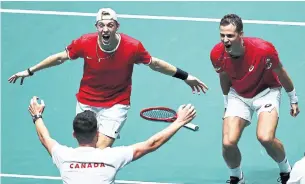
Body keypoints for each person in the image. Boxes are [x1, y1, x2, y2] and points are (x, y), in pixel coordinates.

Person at [8, 8, 208, 149]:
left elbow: (155, 64)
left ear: (116, 26)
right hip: (86, 103)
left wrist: (185, 76)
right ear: (96, 26)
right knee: (87, 151)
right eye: (101, 25)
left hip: (116, 104)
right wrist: (30, 70)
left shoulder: (132, 46)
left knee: (100, 151)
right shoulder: (84, 42)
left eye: (110, 25)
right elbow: (60, 57)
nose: (105, 29)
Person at [209, 14, 300, 184]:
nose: (225, 40)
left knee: (265, 137)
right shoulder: (217, 54)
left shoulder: (263, 49)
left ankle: (286, 170)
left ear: (241, 34)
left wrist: (293, 98)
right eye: (222, 35)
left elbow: (281, 72)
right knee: (228, 142)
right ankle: (237, 177)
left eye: (230, 35)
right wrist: (226, 102)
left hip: (267, 92)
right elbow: (224, 77)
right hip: (238, 96)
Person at [28, 96, 196, 184]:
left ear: (74, 134)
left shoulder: (62, 156)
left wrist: (37, 115)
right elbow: (152, 144)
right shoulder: (111, 157)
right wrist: (179, 121)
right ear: (98, 133)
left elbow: (44, 137)